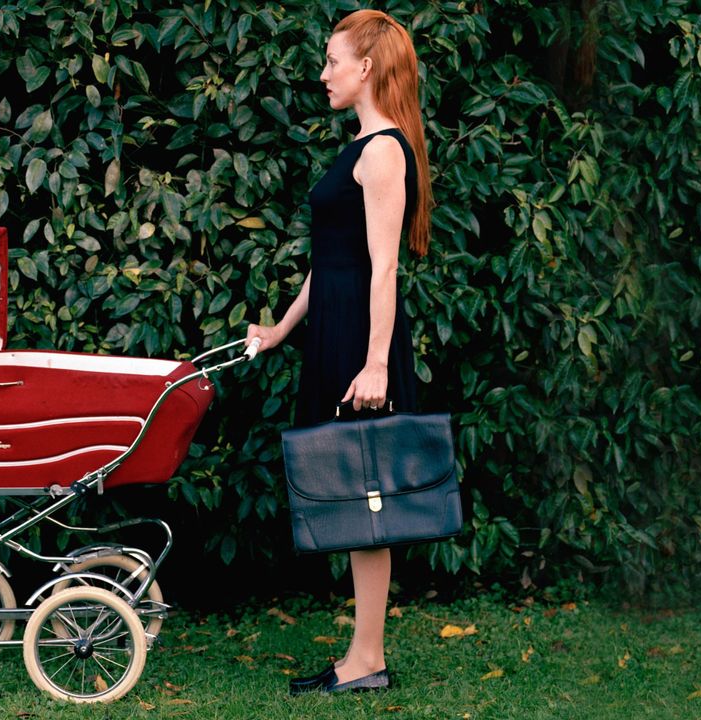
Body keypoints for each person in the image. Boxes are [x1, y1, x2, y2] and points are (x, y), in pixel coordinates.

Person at [245, 8, 433, 695]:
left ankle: (368, 660)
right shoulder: (361, 147)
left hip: (360, 337)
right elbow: (330, 262)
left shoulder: (382, 151)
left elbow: (383, 268)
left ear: (367, 68)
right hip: (335, 327)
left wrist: (377, 362)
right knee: (358, 499)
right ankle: (363, 657)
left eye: (332, 61)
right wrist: (279, 331)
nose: (322, 74)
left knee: (370, 500)